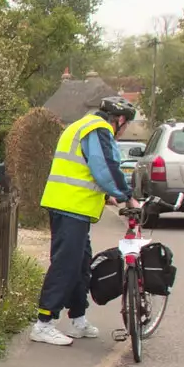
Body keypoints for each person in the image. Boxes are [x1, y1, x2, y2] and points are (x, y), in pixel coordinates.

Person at [30, 97, 136, 347]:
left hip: (69, 205)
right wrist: (127, 197)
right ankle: (43, 323)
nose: (125, 131)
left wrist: (107, 195)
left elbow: (82, 169)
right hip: (70, 207)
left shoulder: (81, 124)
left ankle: (78, 318)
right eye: (127, 125)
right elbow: (105, 167)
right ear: (120, 120)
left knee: (80, 265)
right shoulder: (97, 129)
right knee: (66, 265)